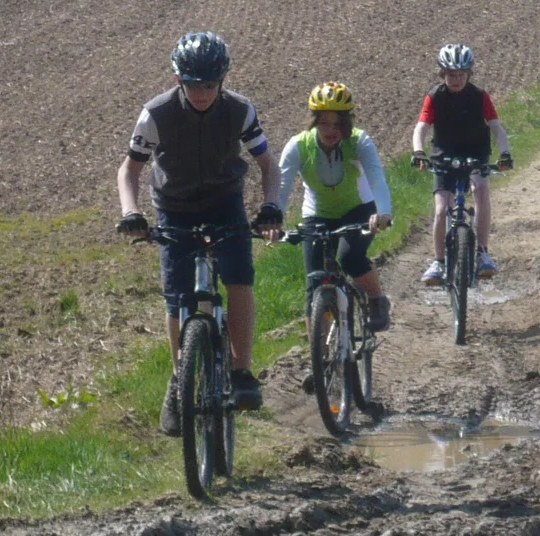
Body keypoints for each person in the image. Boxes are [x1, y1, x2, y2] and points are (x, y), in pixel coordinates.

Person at [116, 31, 283, 434]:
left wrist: (271, 205)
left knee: (239, 279)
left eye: (209, 84)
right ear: (178, 80)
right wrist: (131, 211)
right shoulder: (155, 114)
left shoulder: (240, 110)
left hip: (224, 201)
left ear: (222, 79)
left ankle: (242, 372)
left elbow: (267, 165)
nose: (202, 92)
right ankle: (179, 381)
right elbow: (130, 170)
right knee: (177, 299)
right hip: (174, 207)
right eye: (193, 84)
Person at [276, 82, 394, 332]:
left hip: (359, 209)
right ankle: (319, 360)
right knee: (314, 283)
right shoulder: (298, 146)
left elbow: (376, 178)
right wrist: (273, 220)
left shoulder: (359, 141)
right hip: (317, 214)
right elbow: (281, 188)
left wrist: (382, 212)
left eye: (338, 123)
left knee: (350, 258)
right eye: (324, 122)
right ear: (313, 121)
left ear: (347, 122)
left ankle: (376, 300)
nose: (331, 130)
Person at [410, 43, 512, 284]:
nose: (455, 79)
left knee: (481, 190)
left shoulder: (479, 96)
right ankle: (438, 261)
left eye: (460, 75)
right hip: (443, 153)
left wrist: (505, 152)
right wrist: (418, 151)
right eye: (450, 75)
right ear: (442, 74)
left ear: (469, 74)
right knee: (440, 208)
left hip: (476, 151)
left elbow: (496, 127)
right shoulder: (435, 96)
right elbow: (421, 128)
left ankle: (483, 253)